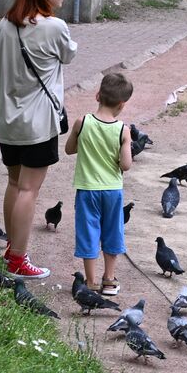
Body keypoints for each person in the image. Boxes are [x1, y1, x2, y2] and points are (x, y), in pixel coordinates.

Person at [0, 0, 76, 281]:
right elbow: (69, 55)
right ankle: (18, 260)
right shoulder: (54, 27)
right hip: (38, 122)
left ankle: (12, 249)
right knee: (29, 189)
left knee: (14, 183)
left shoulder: (4, 26)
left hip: (7, 120)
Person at [64, 72, 134, 296]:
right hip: (112, 191)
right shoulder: (123, 130)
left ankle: (91, 281)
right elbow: (125, 165)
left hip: (87, 190)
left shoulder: (81, 122)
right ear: (122, 105)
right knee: (112, 231)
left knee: (89, 231)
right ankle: (109, 280)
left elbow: (69, 149)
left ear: (97, 95)